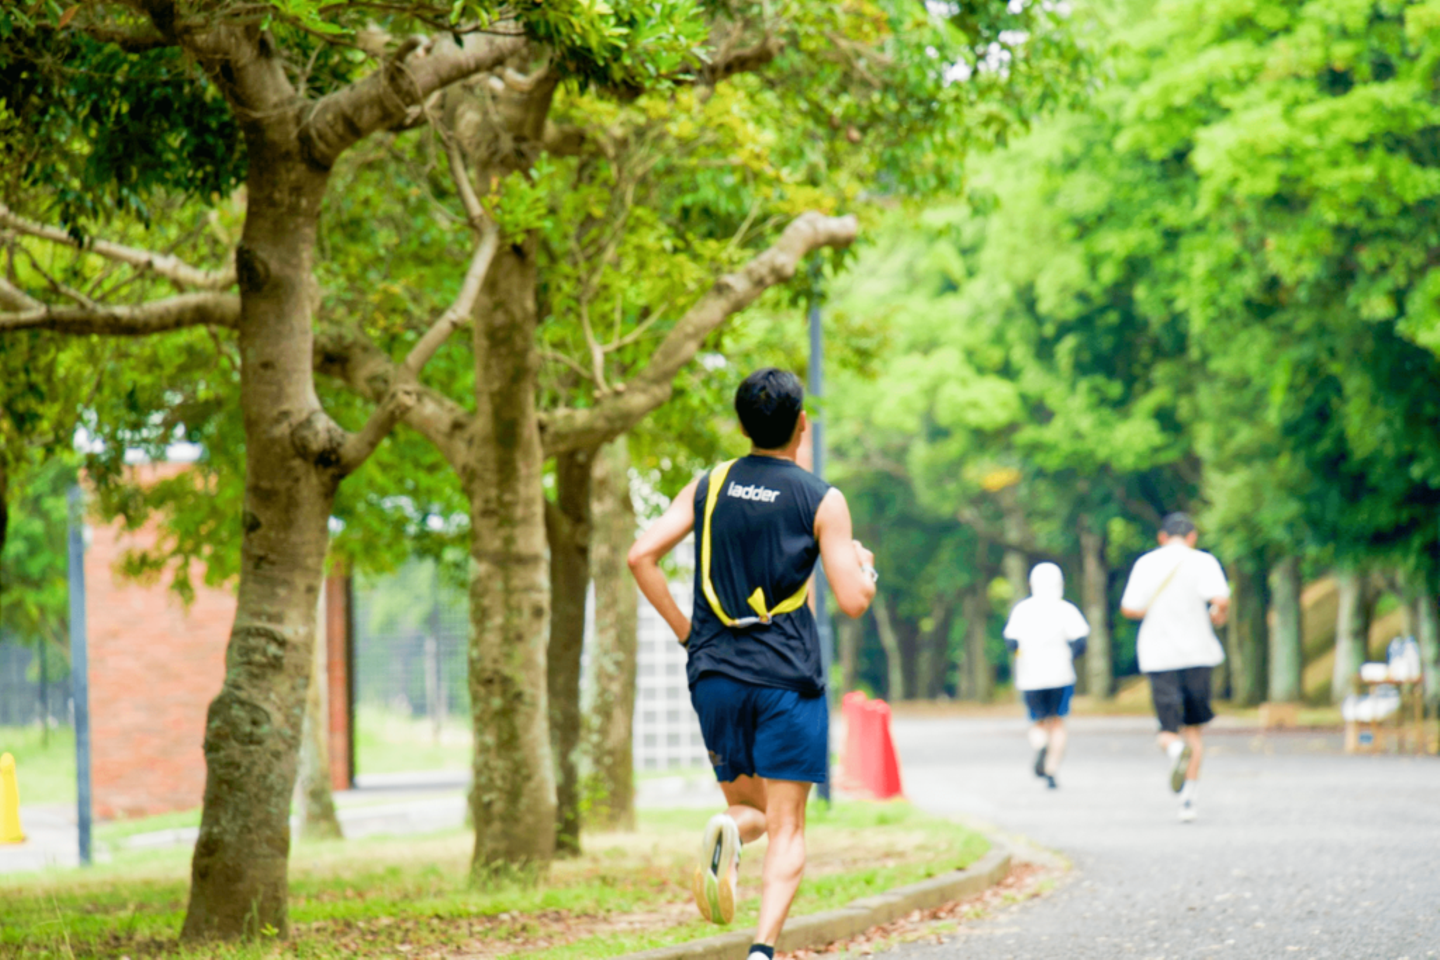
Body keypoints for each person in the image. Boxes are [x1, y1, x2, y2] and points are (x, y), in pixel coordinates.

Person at [628, 368, 878, 960]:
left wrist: (691, 637)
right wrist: (865, 567)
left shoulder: (709, 485)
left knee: (749, 809)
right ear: (801, 424)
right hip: (787, 680)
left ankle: (730, 833)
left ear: (742, 426)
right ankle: (762, 951)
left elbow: (641, 556)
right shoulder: (822, 499)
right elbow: (852, 600)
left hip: (716, 678)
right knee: (788, 826)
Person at [1119, 512, 1231, 822]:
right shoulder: (1204, 561)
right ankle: (1188, 801)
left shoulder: (1146, 564)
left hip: (1159, 655)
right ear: (1192, 536)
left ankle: (1174, 750)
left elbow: (1129, 608)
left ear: (1162, 537)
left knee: (1168, 731)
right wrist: (1216, 613)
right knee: (1194, 729)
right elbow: (1221, 599)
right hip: (1198, 654)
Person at [1003, 562, 1089, 790]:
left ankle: (1040, 745)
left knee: (1037, 721)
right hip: (1061, 673)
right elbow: (1081, 641)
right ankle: (1051, 769)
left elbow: (1011, 641)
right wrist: (1068, 655)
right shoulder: (1066, 609)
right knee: (1058, 722)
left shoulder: (1023, 610)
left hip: (1030, 674)